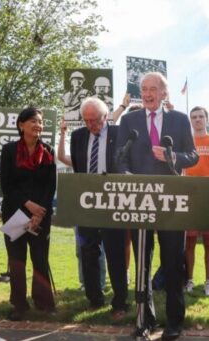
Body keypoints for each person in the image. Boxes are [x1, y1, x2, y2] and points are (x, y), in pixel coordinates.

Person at [116, 71, 198, 341]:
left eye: (153, 88)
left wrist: (172, 156)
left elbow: (193, 156)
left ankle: (174, 322)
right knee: (143, 263)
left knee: (173, 262)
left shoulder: (179, 119)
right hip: (139, 200)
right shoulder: (129, 120)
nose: (148, 93)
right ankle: (145, 319)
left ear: (164, 92)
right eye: (144, 89)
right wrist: (126, 175)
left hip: (171, 202)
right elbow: (121, 157)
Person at [71, 97, 129, 319]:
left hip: (113, 203)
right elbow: (78, 169)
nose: (90, 125)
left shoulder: (118, 135)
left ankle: (120, 303)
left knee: (115, 253)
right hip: (87, 203)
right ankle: (94, 299)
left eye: (94, 121)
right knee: (88, 252)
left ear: (106, 117)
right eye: (86, 121)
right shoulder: (77, 137)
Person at [0, 106, 57, 321]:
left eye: (40, 122)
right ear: (21, 125)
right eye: (33, 121)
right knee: (17, 260)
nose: (37, 125)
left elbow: (50, 186)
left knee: (40, 258)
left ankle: (43, 303)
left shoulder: (48, 151)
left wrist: (38, 212)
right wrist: (27, 204)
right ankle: (19, 305)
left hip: (40, 215)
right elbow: (7, 184)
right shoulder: (9, 151)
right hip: (14, 212)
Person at [57, 117, 107, 293]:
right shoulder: (80, 159)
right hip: (82, 207)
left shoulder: (105, 152)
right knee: (81, 248)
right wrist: (63, 134)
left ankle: (100, 283)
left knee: (100, 249)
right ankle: (85, 282)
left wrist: (123, 106)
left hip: (104, 204)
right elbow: (61, 157)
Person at [184, 106, 209, 297]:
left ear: (207, 119)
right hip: (190, 194)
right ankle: (189, 280)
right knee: (189, 241)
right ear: (190, 121)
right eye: (194, 117)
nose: (198, 120)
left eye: (201, 116)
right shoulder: (187, 142)